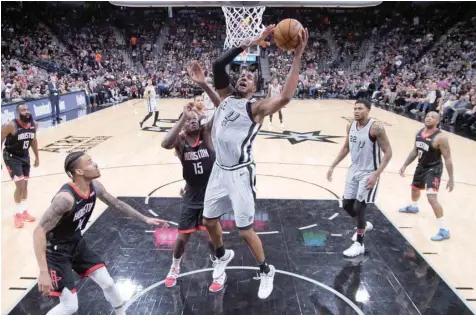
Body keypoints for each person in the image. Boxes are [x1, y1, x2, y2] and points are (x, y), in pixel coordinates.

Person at [192, 25, 308, 300]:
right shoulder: (226, 98)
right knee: (209, 221)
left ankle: (266, 270)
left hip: (241, 174)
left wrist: (298, 55)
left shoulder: (255, 108)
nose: (244, 77)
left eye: (249, 77)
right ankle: (222, 255)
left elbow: (286, 97)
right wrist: (252, 41)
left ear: (255, 88)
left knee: (245, 230)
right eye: (242, 75)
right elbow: (220, 63)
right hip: (220, 170)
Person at [33, 152, 169, 315]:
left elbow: (117, 204)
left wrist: (145, 219)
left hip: (76, 243)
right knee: (70, 306)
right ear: (79, 172)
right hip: (56, 252)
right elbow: (39, 231)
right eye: (90, 162)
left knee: (109, 284)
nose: (96, 164)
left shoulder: (95, 186)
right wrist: (43, 272)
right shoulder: (65, 199)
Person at [161, 97, 231, 292]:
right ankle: (174, 267)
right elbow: (165, 143)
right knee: (182, 238)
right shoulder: (181, 141)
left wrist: (201, 113)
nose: (192, 121)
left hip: (211, 194)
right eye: (188, 119)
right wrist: (183, 117)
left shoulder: (206, 133)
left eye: (195, 118)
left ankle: (219, 267)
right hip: (191, 195)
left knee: (211, 238)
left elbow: (220, 111)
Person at [327, 99, 392, 257]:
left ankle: (359, 244)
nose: (356, 111)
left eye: (360, 109)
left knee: (359, 206)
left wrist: (376, 174)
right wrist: (332, 166)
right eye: (354, 108)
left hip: (369, 172)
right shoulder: (350, 125)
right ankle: (363, 224)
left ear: (368, 111)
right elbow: (345, 147)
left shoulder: (376, 128)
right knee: (346, 204)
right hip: (354, 169)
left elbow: (388, 152)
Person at [399, 111, 453, 241]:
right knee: (414, 188)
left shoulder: (441, 138)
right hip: (421, 166)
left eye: (432, 117)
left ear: (438, 121)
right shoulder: (419, 132)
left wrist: (451, 178)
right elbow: (415, 150)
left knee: (431, 198)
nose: (429, 118)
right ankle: (414, 206)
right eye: (427, 116)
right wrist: (405, 165)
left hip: (434, 168)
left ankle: (444, 229)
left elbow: (448, 158)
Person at [1, 103, 39, 228]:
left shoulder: (34, 124)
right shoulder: (11, 125)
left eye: (27, 109)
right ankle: (17, 214)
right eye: (23, 110)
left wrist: (37, 157)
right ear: (18, 113)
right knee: (20, 185)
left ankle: (24, 211)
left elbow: (33, 140)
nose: (26, 111)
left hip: (25, 156)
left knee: (25, 185)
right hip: (11, 157)